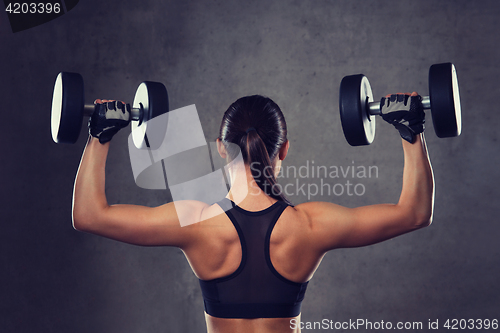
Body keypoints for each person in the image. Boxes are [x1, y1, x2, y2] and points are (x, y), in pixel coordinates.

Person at [72, 93, 434, 333]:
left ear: (220, 148)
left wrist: (100, 135)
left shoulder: (196, 223)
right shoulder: (310, 226)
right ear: (285, 149)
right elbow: (414, 213)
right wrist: (411, 131)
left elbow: (89, 215)